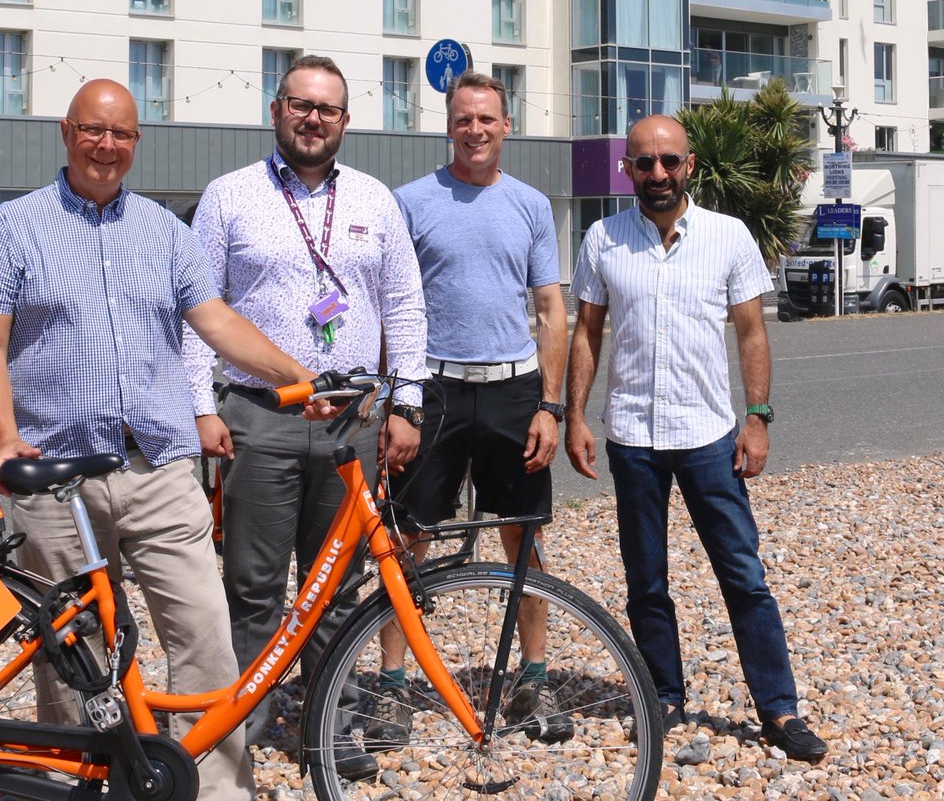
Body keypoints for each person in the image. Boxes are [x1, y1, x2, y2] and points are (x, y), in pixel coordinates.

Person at [0, 78, 329, 800]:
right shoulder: (15, 225)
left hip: (159, 465)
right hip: (56, 473)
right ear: (67, 132)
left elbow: (218, 322)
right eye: (93, 131)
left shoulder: (164, 231)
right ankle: (78, 784)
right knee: (72, 655)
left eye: (121, 134)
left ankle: (216, 790)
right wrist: (4, 438)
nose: (106, 146)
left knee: (204, 634)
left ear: (137, 142)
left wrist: (299, 376)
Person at [182, 55, 428, 774]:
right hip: (258, 417)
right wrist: (200, 407)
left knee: (339, 586)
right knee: (253, 584)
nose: (313, 119)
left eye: (327, 109)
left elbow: (405, 308)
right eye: (301, 105)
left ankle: (331, 725)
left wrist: (407, 403)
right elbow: (198, 310)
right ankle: (243, 728)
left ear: (345, 121)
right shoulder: (228, 196)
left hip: (353, 422)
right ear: (276, 110)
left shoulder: (376, 200)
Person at [564, 114, 828, 761]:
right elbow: (586, 333)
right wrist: (574, 415)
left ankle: (779, 708)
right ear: (627, 169)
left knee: (743, 574)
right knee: (645, 578)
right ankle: (663, 696)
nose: (657, 173)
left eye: (669, 161)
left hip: (708, 435)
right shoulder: (603, 239)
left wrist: (758, 416)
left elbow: (752, 332)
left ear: (689, 166)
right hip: (632, 435)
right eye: (644, 163)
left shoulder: (728, 236)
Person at [362, 69, 571, 750]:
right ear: (448, 125)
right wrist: (396, 400)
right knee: (407, 539)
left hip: (513, 392)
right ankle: (394, 684)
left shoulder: (531, 206)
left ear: (507, 125)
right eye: (463, 119)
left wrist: (549, 406)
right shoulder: (410, 202)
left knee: (524, 539)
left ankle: (533, 677)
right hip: (434, 392)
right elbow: (392, 308)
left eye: (487, 119)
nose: (475, 130)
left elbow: (550, 310)